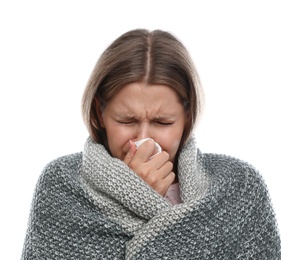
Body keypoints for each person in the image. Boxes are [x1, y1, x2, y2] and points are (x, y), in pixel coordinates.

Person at [21, 29, 281, 259]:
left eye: (163, 122)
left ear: (187, 116)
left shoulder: (238, 186)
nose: (144, 139)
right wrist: (130, 194)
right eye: (126, 120)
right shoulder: (62, 184)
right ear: (100, 113)